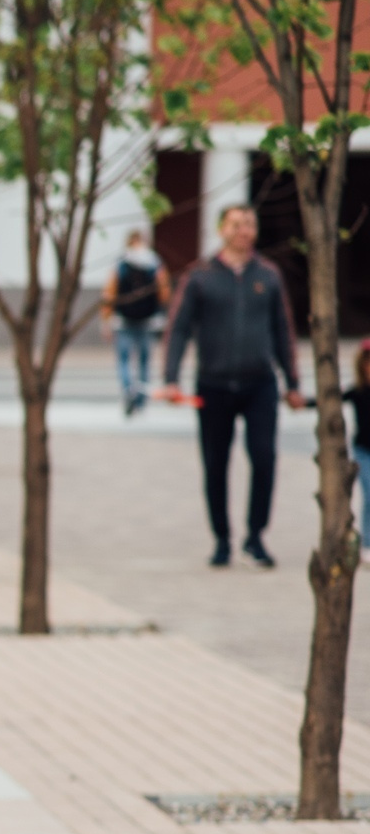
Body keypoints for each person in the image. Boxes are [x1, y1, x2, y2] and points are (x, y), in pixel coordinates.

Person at [161, 203, 306, 568]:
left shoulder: (268, 276)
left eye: (250, 224)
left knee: (264, 458)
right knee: (215, 463)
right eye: (237, 224)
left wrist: (292, 382)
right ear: (222, 229)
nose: (245, 230)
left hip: (259, 384)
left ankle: (256, 536)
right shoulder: (201, 276)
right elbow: (178, 329)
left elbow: (282, 329)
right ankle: (222, 539)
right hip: (213, 384)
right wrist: (170, 378)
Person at [102, 229, 169, 415]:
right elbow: (164, 292)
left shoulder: (121, 262)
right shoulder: (154, 262)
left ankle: (128, 391)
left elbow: (109, 292)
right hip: (148, 320)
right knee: (144, 361)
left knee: (124, 360)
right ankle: (141, 399)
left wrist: (106, 320)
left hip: (123, 320)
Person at [346, 343, 370, 539]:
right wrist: (303, 402)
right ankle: (367, 542)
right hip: (363, 451)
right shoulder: (358, 392)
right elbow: (330, 399)